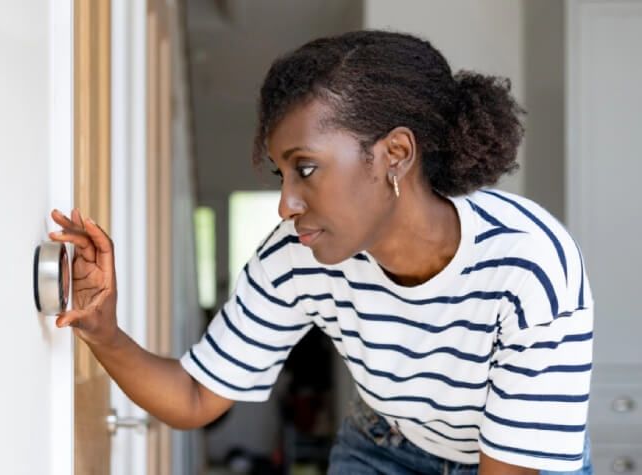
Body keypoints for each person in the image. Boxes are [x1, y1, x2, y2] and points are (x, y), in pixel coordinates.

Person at [49, 30, 593, 474]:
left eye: (305, 168)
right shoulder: (295, 256)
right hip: (384, 449)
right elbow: (194, 397)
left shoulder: (529, 265)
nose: (286, 204)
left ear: (394, 154)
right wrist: (103, 330)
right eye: (281, 174)